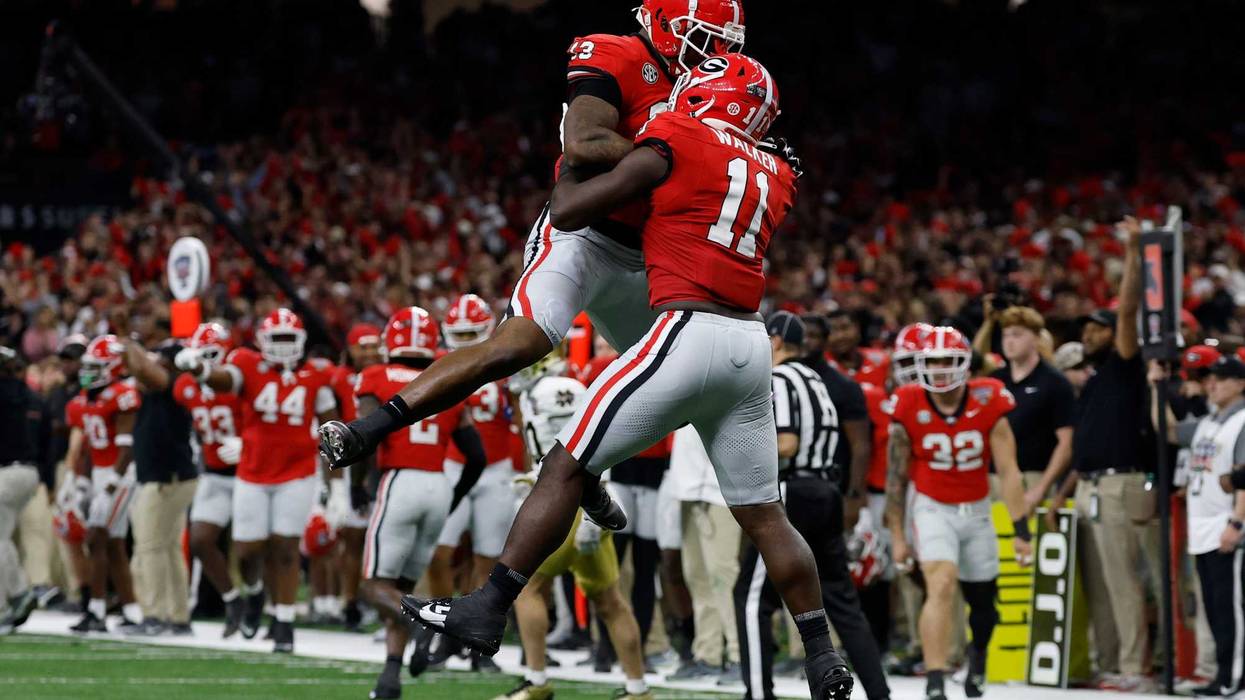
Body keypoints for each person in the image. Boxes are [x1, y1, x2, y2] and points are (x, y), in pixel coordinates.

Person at [340, 54, 852, 700]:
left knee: (565, 465)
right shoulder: (778, 171)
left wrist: (567, 172)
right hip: (749, 344)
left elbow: (573, 211)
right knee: (766, 516)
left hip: (685, 329)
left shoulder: (680, 133)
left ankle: (487, 605)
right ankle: (821, 653)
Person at [314, 1, 749, 526]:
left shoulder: (717, 86)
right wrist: (675, 158)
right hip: (583, 235)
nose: (716, 54)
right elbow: (584, 142)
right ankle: (370, 429)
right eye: (705, 38)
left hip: (649, 255)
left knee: (681, 385)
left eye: (726, 43)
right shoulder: (617, 54)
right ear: (662, 23)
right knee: (515, 346)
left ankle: (582, 467)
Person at [735, 311, 890, 700]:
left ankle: (758, 693)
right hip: (827, 492)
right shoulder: (817, 378)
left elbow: (786, 443)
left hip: (794, 494)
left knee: (752, 599)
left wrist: (741, 453)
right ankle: (879, 691)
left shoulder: (781, 377)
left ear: (774, 342)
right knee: (841, 600)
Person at [175, 308, 344, 653]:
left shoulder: (315, 376)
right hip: (252, 471)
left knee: (285, 547)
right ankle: (252, 593)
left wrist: (337, 485)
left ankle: (284, 623)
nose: (282, 347)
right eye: (276, 339)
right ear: (262, 341)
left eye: (288, 339)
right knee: (248, 550)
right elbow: (223, 381)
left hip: (296, 473)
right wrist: (200, 368)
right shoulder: (248, 364)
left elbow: (333, 433)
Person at [885, 326, 1032, 700]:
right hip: (932, 506)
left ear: (966, 364)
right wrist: (898, 536)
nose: (939, 369)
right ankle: (935, 680)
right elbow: (895, 478)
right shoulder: (908, 400)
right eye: (932, 361)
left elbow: (1009, 469)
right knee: (941, 583)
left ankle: (977, 657)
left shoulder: (989, 397)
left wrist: (1021, 530)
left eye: (948, 361)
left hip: (978, 507)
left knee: (984, 603)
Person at [497, 356, 650, 700]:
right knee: (611, 601)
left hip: (561, 507)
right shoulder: (570, 389)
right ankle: (638, 689)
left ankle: (536, 682)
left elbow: (579, 452)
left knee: (528, 589)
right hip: (592, 502)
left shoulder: (544, 393)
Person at [354, 307, 487, 700]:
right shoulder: (447, 375)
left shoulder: (375, 376)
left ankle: (429, 622)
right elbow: (476, 455)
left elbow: (363, 439)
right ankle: (389, 677)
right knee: (401, 590)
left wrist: (357, 485)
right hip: (437, 483)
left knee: (374, 587)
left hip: (400, 479)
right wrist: (454, 496)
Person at [1065, 217, 1154, 692]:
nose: (1090, 333)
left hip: (1121, 483)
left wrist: (1135, 250)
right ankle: (1113, 661)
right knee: (1102, 584)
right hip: (1092, 485)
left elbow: (1127, 312)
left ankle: (1136, 668)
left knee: (1124, 582)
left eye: (1096, 328)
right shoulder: (1095, 377)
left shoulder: (1123, 365)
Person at [430, 294, 518, 673]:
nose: (465, 341)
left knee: (487, 559)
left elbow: (519, 415)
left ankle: (476, 640)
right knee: (439, 552)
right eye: (459, 334)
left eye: (472, 333)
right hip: (452, 466)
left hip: (497, 469)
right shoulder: (440, 362)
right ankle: (444, 629)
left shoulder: (509, 362)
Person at [1150, 356, 1245, 697]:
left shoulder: (1242, 421)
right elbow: (1169, 429)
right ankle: (1222, 675)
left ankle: (1232, 676)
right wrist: (1156, 387)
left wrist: (1237, 522)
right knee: (1214, 606)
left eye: (1220, 379)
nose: (1211, 384)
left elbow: (1244, 477)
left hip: (1226, 524)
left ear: (1240, 383)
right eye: (1208, 379)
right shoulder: (1208, 423)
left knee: (1229, 606)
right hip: (1204, 525)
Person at [118, 335, 199, 636]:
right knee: (167, 549)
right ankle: (178, 616)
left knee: (150, 546)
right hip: (173, 476)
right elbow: (140, 370)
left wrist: (126, 336)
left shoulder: (173, 384)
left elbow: (143, 369)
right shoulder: (165, 388)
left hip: (167, 478)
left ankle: (155, 615)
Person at [65, 336, 143, 633]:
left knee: (96, 537)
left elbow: (126, 447)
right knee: (112, 545)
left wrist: (109, 486)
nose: (88, 372)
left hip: (121, 472)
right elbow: (87, 445)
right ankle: (131, 609)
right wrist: (82, 483)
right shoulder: (84, 399)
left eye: (96, 367)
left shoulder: (122, 395)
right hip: (99, 470)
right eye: (87, 366)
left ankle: (96, 611)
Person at [175, 322, 246, 636]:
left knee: (252, 548)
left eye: (211, 355)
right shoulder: (186, 388)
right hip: (215, 475)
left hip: (249, 473)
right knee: (201, 539)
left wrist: (248, 444)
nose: (205, 364)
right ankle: (233, 600)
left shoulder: (240, 383)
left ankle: (263, 603)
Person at [987, 306, 1076, 513]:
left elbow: (1066, 443)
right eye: (1006, 334)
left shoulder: (1055, 382)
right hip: (994, 478)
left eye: (1017, 334)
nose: (1009, 341)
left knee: (1030, 543)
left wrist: (1041, 487)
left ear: (1036, 338)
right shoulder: (994, 381)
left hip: (1034, 476)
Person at [331, 323, 382, 632]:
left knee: (382, 539)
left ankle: (377, 600)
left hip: (386, 461)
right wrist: (337, 483)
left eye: (374, 345)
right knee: (353, 537)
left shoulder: (389, 372)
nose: (370, 352)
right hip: (353, 462)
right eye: (362, 346)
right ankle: (348, 601)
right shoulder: (338, 379)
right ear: (349, 349)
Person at [0, 346, 45, 634]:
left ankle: (11, 600)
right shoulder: (28, 394)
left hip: (6, 473)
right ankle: (16, 594)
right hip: (28, 472)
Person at [826, 309, 891, 389]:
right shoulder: (820, 368)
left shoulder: (881, 360)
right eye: (833, 331)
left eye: (845, 328)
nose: (840, 336)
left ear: (857, 328)